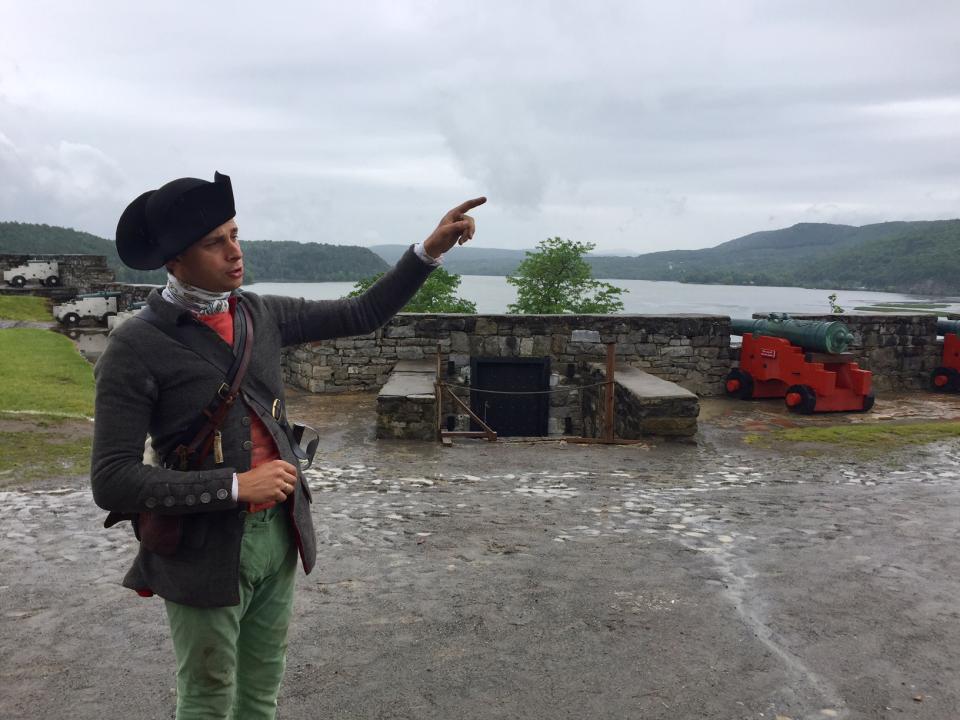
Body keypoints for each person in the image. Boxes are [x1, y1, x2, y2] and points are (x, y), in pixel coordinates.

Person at [91, 171, 484, 719]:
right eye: (215, 242)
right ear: (174, 260)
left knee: (260, 693)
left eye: (235, 234)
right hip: (201, 548)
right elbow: (112, 480)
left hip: (279, 531)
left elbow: (361, 314)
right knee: (206, 698)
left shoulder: (258, 314)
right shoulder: (135, 346)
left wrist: (427, 251)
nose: (235, 252)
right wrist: (234, 485)